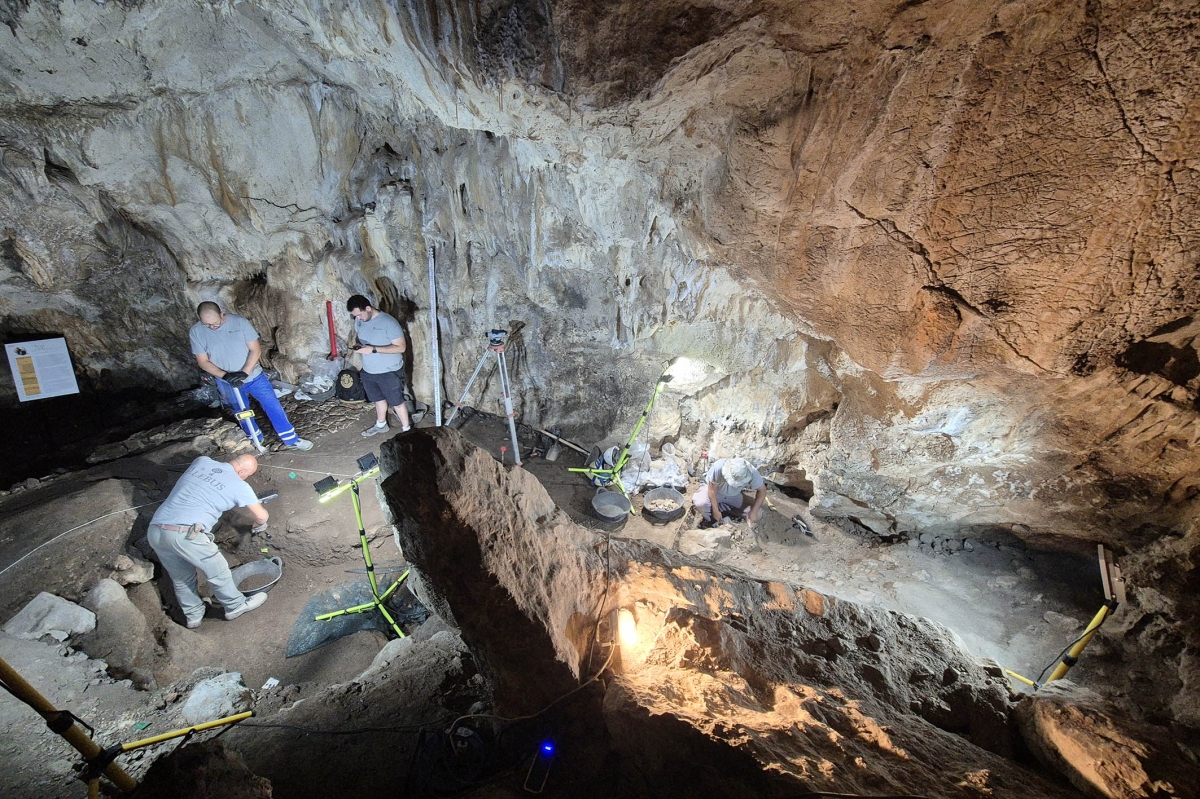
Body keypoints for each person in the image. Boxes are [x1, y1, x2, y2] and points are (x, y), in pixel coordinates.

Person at [147, 454, 270, 628]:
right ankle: (235, 605)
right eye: (247, 475)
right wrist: (258, 525)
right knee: (217, 569)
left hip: (156, 530)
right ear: (242, 471)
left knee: (181, 578)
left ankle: (194, 615)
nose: (246, 478)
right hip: (185, 533)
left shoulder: (202, 461)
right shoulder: (239, 485)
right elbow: (262, 515)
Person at [189, 302, 313, 452]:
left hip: (253, 375)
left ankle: (290, 439)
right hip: (226, 382)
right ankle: (256, 440)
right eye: (207, 324)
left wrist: (244, 372)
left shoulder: (240, 323)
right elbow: (202, 361)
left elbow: (255, 349)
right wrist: (225, 375)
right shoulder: (196, 332)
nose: (212, 327)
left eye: (215, 323)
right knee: (240, 411)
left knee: (272, 404)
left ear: (222, 314)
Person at [346, 294, 412, 437]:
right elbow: (363, 338)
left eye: (360, 314)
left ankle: (407, 430)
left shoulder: (389, 323)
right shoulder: (359, 321)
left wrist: (373, 349)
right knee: (378, 399)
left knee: (397, 402)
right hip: (369, 370)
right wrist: (360, 347)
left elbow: (401, 347)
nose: (358, 318)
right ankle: (381, 424)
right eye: (355, 316)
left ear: (368, 308)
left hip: (389, 371)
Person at [692, 457, 767, 529]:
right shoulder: (718, 467)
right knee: (700, 503)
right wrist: (715, 510)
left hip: (734, 495)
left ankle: (725, 510)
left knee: (758, 514)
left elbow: (762, 491)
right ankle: (713, 521)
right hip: (715, 492)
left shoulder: (752, 472)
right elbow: (711, 490)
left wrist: (753, 512)